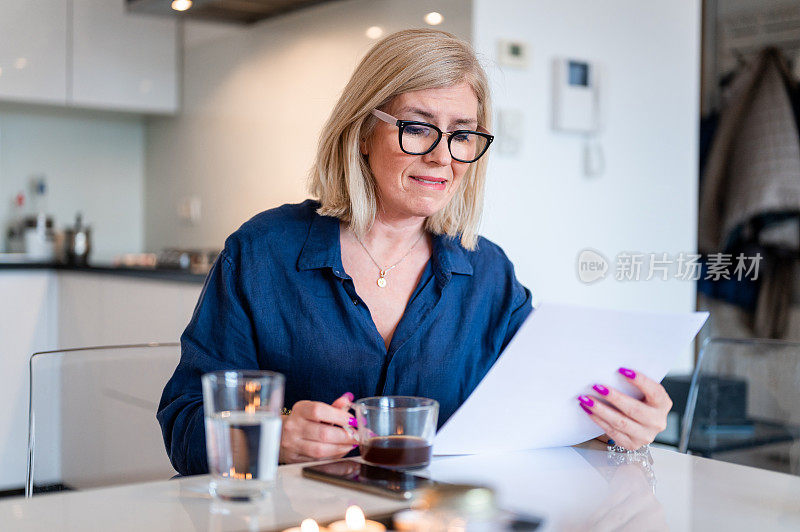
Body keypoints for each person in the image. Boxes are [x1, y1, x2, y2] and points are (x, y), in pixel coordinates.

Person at [157, 29, 671, 475]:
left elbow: (538, 415)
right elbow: (183, 422)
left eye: (463, 135)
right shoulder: (264, 252)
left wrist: (614, 425)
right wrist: (275, 435)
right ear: (362, 131)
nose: (442, 156)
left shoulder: (488, 273)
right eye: (418, 127)